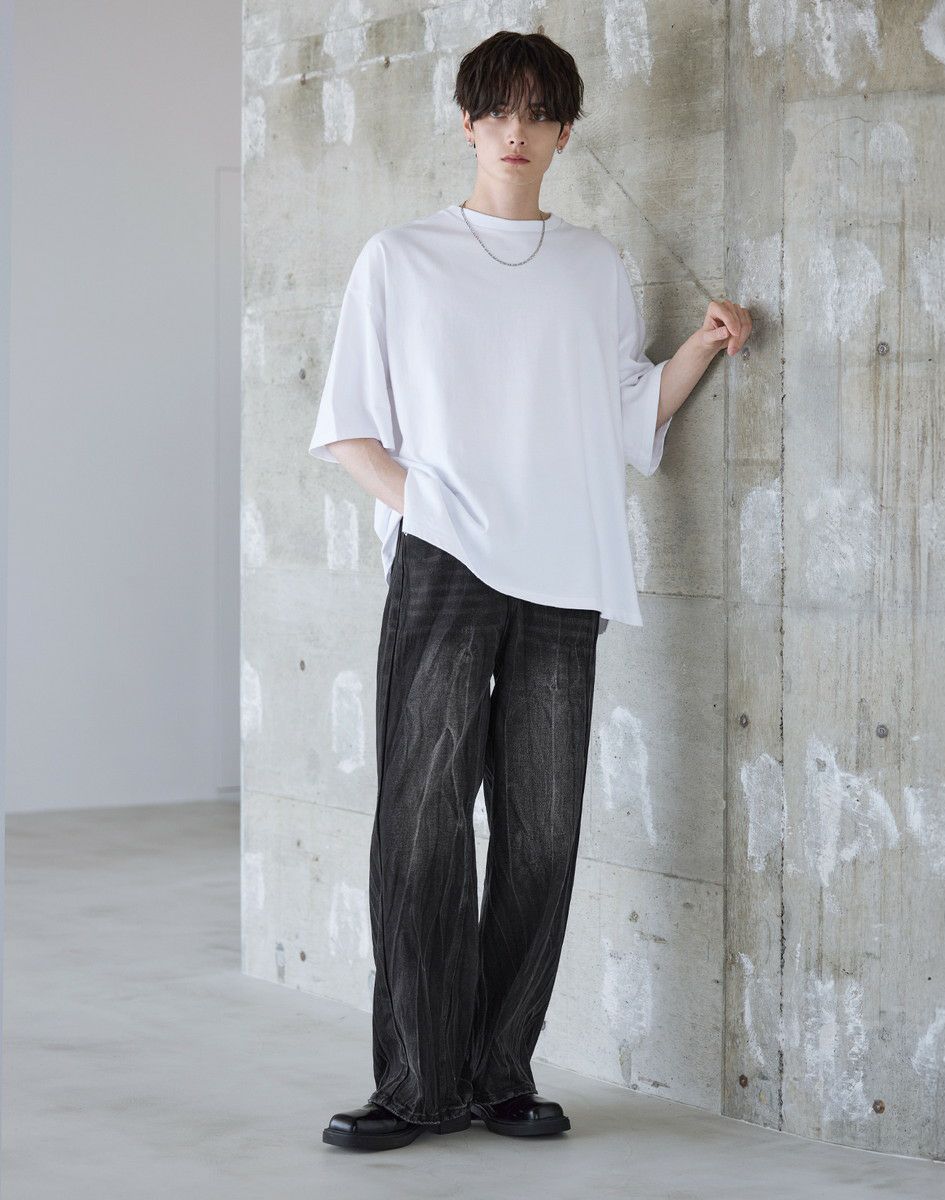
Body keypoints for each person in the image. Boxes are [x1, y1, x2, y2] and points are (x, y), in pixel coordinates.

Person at [311, 30, 751, 1152]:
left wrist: (700, 349)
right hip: (446, 569)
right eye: (497, 111)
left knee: (543, 833)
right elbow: (349, 429)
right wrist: (431, 507)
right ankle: (416, 1084)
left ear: (564, 132)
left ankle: (502, 1073)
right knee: (422, 827)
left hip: (563, 572)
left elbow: (623, 415)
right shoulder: (399, 258)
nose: (516, 132)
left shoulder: (595, 264)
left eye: (538, 113)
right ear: (467, 122)